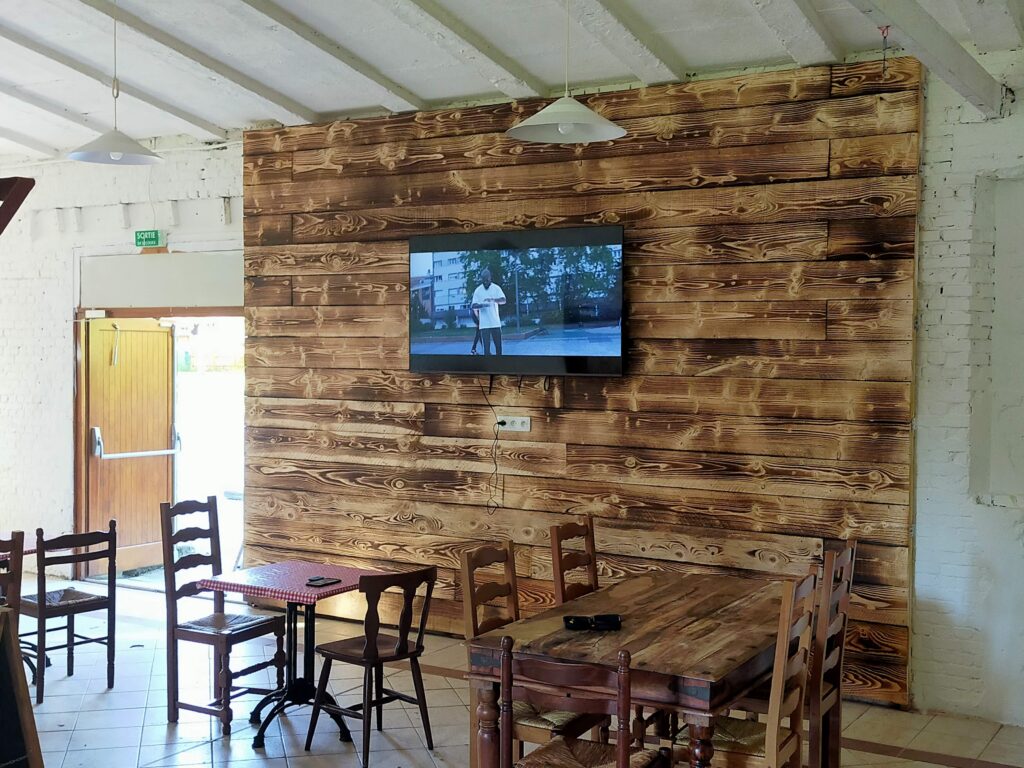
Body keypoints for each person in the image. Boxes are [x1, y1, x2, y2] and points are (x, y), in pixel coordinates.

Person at [471, 268, 506, 356]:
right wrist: (482, 305)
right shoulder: (478, 290)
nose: (485, 283)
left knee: (499, 348)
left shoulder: (496, 288)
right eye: (484, 281)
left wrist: (493, 300)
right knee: (486, 351)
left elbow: (503, 300)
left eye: (487, 280)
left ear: (490, 278)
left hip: (495, 323)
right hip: (484, 325)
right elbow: (473, 305)